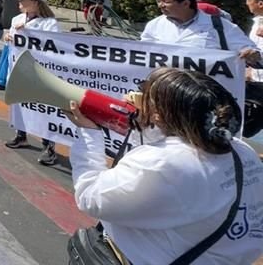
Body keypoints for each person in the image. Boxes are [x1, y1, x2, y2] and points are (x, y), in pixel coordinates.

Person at [65, 68, 263, 265]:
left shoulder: (162, 163)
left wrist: (89, 135)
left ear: (159, 115)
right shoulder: (242, 151)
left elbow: (91, 197)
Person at [2, 0, 62, 165]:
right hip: (18, 67)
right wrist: (8, 36)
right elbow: (12, 39)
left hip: (39, 71)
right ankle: (21, 135)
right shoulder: (16, 19)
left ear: (36, 2)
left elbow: (52, 45)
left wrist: (27, 30)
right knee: (19, 103)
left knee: (43, 108)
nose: (20, 2)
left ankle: (49, 146)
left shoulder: (49, 23)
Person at [140, 0, 260, 65]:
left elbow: (249, 50)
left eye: (166, 2)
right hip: (166, 91)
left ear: (186, 3)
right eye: (159, 1)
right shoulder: (154, 25)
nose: (160, 5)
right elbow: (142, 54)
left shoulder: (219, 26)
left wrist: (252, 54)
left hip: (207, 93)